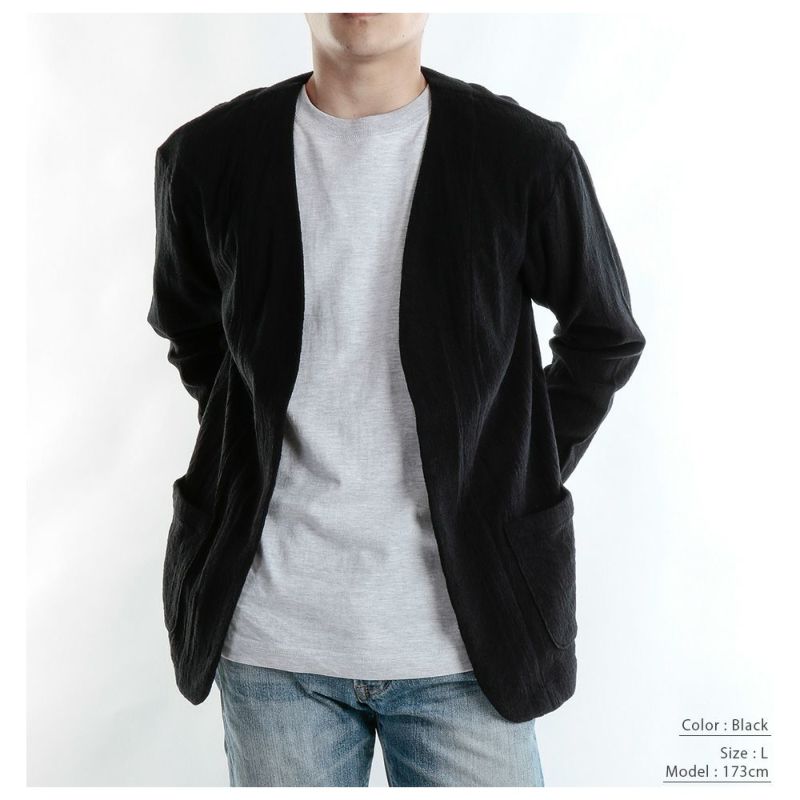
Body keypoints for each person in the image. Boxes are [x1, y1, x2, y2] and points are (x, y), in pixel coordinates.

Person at [147, 11, 646, 788]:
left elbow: (603, 336)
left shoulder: (522, 155)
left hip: (469, 639)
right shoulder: (207, 157)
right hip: (274, 639)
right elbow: (191, 328)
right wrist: (249, 440)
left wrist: (513, 466)